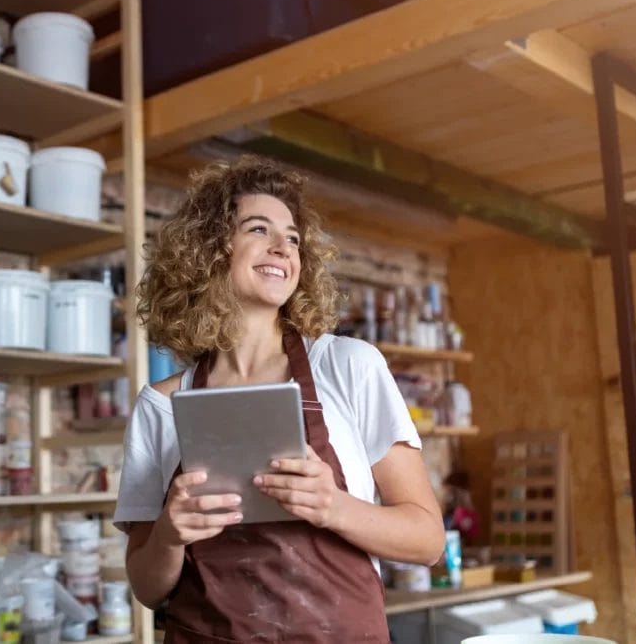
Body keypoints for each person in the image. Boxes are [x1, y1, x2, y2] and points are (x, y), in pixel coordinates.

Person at [114, 156, 444, 643]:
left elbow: (427, 540)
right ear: (210, 250)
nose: (282, 247)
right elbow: (146, 587)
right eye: (259, 228)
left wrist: (333, 506)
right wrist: (169, 533)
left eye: (292, 238)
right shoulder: (161, 406)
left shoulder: (348, 366)